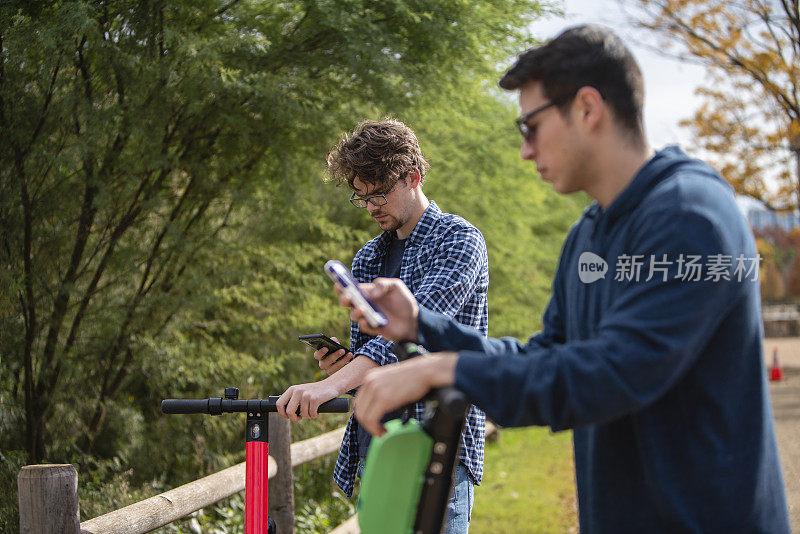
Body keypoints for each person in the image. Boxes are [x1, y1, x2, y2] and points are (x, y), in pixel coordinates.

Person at [343, 25, 791, 533]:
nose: (525, 151)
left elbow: (611, 374)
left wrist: (446, 370)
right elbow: (546, 358)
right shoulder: (587, 235)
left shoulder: (689, 215)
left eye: (529, 127)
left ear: (587, 108)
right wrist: (425, 326)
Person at [276, 119, 490, 533]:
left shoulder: (459, 241)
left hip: (437, 445)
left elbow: (411, 334)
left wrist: (329, 388)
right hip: (377, 446)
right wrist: (343, 369)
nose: (372, 206)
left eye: (380, 193)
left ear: (414, 177)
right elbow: (375, 368)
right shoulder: (368, 259)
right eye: (362, 197)